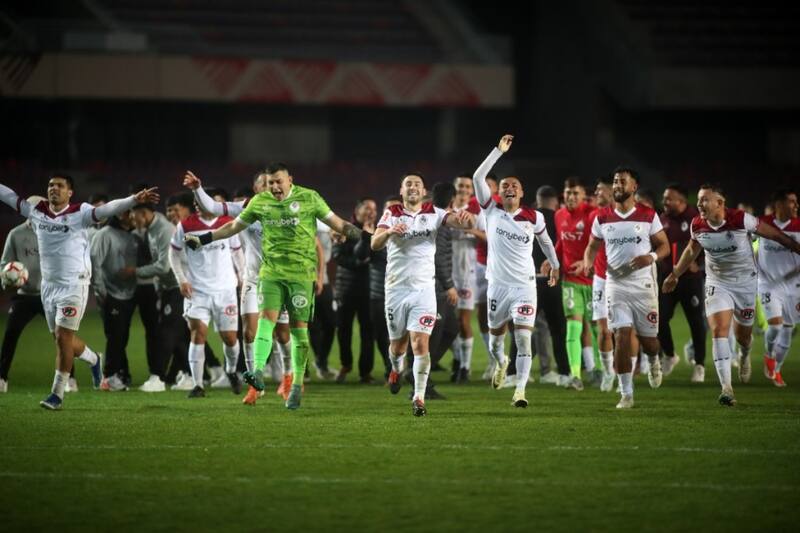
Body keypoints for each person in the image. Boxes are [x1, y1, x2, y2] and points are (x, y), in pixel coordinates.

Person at [184, 162, 362, 410]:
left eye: (278, 181)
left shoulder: (309, 198)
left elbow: (336, 223)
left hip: (300, 277)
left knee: (296, 333)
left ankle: (295, 383)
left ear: (290, 179)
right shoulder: (256, 203)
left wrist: (363, 235)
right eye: (269, 183)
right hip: (268, 275)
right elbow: (230, 224)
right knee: (261, 325)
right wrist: (204, 238)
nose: (273, 187)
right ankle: (256, 374)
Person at [0, 174, 158, 409]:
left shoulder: (80, 212)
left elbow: (109, 209)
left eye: (60, 186)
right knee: (61, 339)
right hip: (49, 286)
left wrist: (133, 199)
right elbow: (9, 196)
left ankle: (57, 395)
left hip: (74, 284)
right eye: (51, 185)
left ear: (70, 192)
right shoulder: (36, 211)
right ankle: (94, 359)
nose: (54, 188)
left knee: (63, 339)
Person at [663, 184, 800, 405]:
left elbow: (774, 234)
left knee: (743, 337)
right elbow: (692, 249)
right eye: (698, 200)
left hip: (745, 285)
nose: (699, 204)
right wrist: (675, 274)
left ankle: (744, 355)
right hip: (717, 283)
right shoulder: (698, 225)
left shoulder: (740, 220)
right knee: (719, 330)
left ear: (720, 202)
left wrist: (795, 246)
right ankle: (726, 388)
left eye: (705, 199)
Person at [183, 171, 309, 404]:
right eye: (264, 183)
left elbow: (317, 223)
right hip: (254, 279)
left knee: (282, 334)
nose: (269, 186)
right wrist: (197, 189)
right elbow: (211, 206)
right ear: (256, 187)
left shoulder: (291, 206)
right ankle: (255, 386)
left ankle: (288, 377)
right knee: (249, 333)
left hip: (281, 278)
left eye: (272, 182)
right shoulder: (245, 207)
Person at [371, 172, 475, 416]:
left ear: (424, 190)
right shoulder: (392, 213)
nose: (413, 187)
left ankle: (418, 397)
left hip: (424, 291)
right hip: (396, 289)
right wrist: (388, 233)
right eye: (408, 184)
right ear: (402, 190)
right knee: (397, 346)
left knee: (420, 344)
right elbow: (374, 243)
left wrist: (467, 219)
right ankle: (396, 369)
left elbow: (460, 223)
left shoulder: (434, 212)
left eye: (417, 183)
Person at [472, 134, 560, 408]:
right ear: (499, 191)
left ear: (522, 193)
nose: (510, 188)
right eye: (505, 185)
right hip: (497, 286)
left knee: (523, 338)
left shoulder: (534, 217)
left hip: (524, 286)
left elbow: (546, 243)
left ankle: (520, 391)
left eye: (515, 185)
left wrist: (555, 266)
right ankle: (501, 363)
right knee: (497, 342)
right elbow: (477, 178)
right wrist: (498, 151)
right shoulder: (491, 210)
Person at [578, 167, 670, 409]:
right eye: (615, 182)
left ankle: (653, 360)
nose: (617, 186)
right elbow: (592, 246)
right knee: (620, 336)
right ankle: (626, 394)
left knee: (649, 341)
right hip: (615, 284)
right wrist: (588, 261)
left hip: (644, 286)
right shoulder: (602, 217)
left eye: (622, 182)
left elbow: (664, 247)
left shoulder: (648, 215)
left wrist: (649, 257)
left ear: (633, 187)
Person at [168, 199, 245, 398]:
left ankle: (230, 371)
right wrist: (182, 279)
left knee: (230, 338)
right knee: (198, 334)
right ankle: (198, 385)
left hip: (225, 290)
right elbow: (173, 253)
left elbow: (237, 252)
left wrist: (243, 277)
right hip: (198, 291)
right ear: (197, 205)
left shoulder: (228, 222)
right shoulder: (186, 226)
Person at [658, 183, 707, 382]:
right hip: (668, 279)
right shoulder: (662, 219)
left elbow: (707, 243)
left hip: (690, 280)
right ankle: (670, 355)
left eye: (669, 199)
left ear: (681, 201)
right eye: (664, 198)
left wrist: (700, 264)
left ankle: (700, 365)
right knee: (659, 320)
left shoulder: (696, 218)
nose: (665, 202)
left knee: (696, 323)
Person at [555, 178, 599, 390]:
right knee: (573, 327)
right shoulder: (559, 215)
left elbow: (601, 245)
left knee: (598, 328)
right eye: (567, 193)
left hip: (593, 281)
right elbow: (562, 242)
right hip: (570, 281)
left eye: (575, 193)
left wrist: (586, 261)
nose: (571, 197)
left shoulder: (592, 215)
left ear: (583, 195)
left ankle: (602, 370)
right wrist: (552, 261)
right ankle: (575, 375)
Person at [353, 196, 402, 382]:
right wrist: (366, 237)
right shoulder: (378, 233)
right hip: (378, 292)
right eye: (389, 209)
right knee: (378, 334)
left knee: (398, 334)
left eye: (396, 208)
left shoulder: (409, 232)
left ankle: (395, 369)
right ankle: (385, 371)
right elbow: (360, 255)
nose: (393, 212)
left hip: (400, 291)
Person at [91, 211, 139, 391]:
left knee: (121, 336)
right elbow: (94, 263)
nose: (134, 215)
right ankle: (109, 376)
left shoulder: (134, 234)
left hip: (129, 293)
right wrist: (100, 291)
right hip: (111, 294)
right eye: (130, 211)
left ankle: (121, 375)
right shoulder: (104, 235)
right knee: (116, 337)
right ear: (120, 215)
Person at [756, 189, 799, 387]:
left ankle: (778, 369)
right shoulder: (761, 223)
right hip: (768, 284)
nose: (796, 205)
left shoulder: (798, 226)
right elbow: (746, 244)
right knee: (775, 325)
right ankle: (769, 354)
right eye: (792, 201)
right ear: (779, 204)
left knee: (788, 331)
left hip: (794, 286)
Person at [333, 198, 377, 383]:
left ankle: (365, 372)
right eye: (367, 208)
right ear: (357, 210)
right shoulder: (345, 229)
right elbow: (337, 256)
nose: (371, 212)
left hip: (369, 289)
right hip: (347, 288)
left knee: (368, 331)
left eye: (374, 209)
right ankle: (345, 364)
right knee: (344, 330)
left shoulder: (379, 231)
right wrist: (358, 263)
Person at [0, 218, 44, 392]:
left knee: (62, 336)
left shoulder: (52, 231)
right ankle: (2, 378)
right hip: (23, 296)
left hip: (48, 294)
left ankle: (70, 379)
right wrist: (8, 281)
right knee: (11, 334)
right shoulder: (16, 234)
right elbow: (4, 264)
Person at [531, 185, 569, 385]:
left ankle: (515, 372)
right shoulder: (559, 218)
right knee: (557, 329)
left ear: (538, 200)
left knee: (524, 328)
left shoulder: (529, 217)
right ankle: (562, 372)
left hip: (530, 280)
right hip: (553, 280)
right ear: (555, 201)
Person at [450, 174, 485, 382]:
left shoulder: (477, 213)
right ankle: (456, 357)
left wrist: (470, 229)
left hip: (467, 274)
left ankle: (464, 367)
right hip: (445, 273)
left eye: (466, 186)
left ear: (471, 191)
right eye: (459, 185)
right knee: (444, 321)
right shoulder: (444, 212)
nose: (463, 189)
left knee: (463, 321)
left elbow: (488, 238)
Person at [590, 179, 616, 392]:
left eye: (600, 189)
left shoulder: (635, 215)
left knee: (625, 331)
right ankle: (609, 373)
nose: (596, 192)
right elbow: (590, 246)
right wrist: (586, 261)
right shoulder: (597, 217)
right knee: (604, 331)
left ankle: (627, 373)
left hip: (627, 281)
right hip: (601, 278)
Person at [474, 173, 500, 380]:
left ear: (496, 188)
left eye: (488, 185)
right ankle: (493, 359)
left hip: (500, 269)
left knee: (501, 316)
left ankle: (503, 361)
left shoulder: (501, 207)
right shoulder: (478, 207)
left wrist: (472, 231)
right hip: (480, 266)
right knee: (483, 314)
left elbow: (493, 239)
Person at [310, 219, 337, 380]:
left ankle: (321, 360)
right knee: (308, 327)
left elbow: (326, 256)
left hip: (323, 282)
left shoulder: (324, 231)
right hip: (302, 283)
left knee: (330, 324)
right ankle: (304, 367)